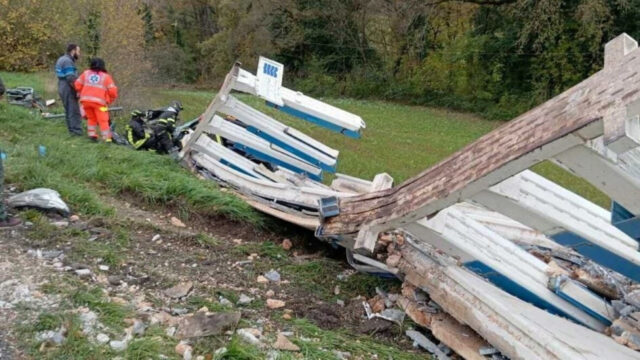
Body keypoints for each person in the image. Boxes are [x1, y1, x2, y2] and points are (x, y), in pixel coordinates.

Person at [75, 58, 118, 142]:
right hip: (100, 103)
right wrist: (110, 99)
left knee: (91, 118)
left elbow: (77, 85)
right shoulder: (106, 77)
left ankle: (92, 135)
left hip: (85, 102)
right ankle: (107, 139)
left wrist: (83, 91)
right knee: (103, 120)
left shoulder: (86, 73)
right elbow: (113, 91)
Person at [55, 44, 83, 136]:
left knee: (68, 109)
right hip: (67, 87)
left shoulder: (62, 59)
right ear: (73, 51)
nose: (79, 54)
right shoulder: (67, 61)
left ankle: (72, 130)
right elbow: (71, 78)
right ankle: (76, 132)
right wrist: (78, 90)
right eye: (78, 52)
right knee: (73, 110)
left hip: (62, 85)